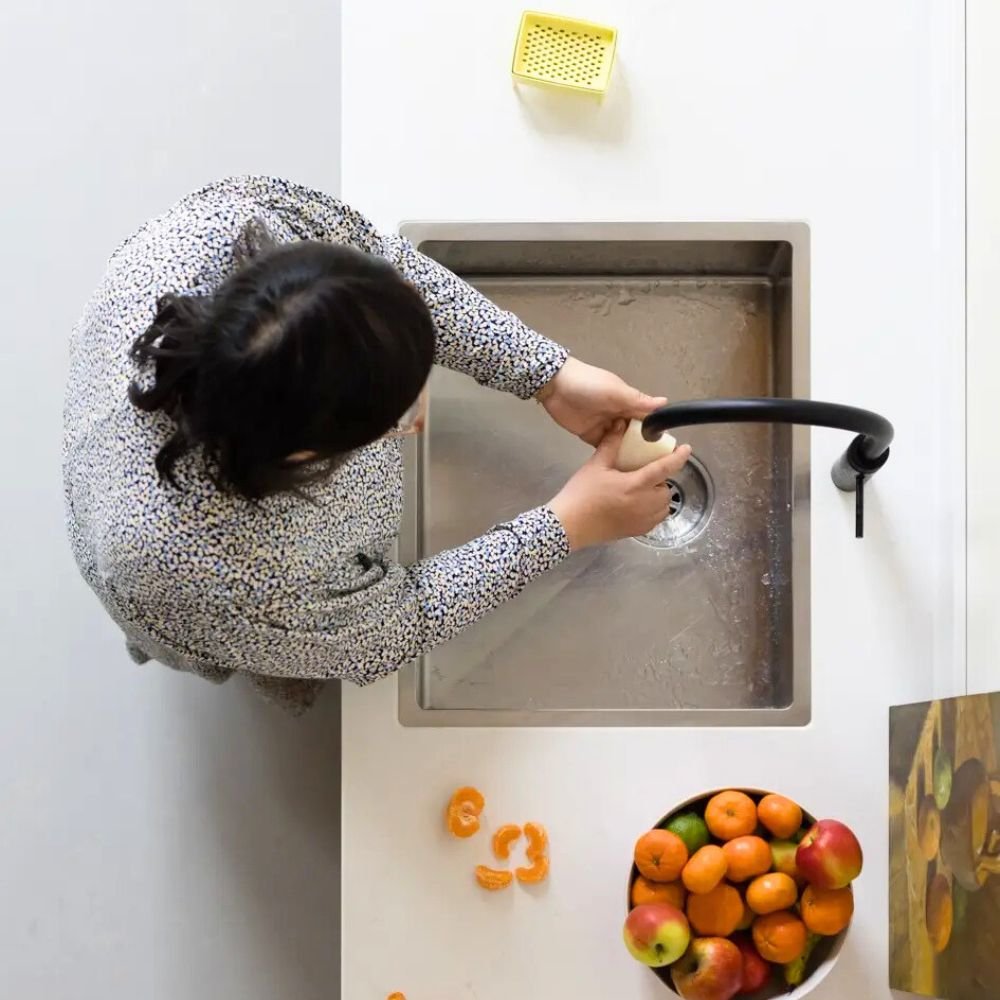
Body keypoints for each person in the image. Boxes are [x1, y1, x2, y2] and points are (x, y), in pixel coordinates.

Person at [63, 176, 691, 714]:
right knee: (276, 658)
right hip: (171, 593)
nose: (417, 421)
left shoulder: (232, 222)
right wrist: (566, 525)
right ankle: (269, 660)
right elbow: (387, 628)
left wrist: (546, 372)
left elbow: (384, 264)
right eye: (402, 414)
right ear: (308, 457)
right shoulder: (235, 578)